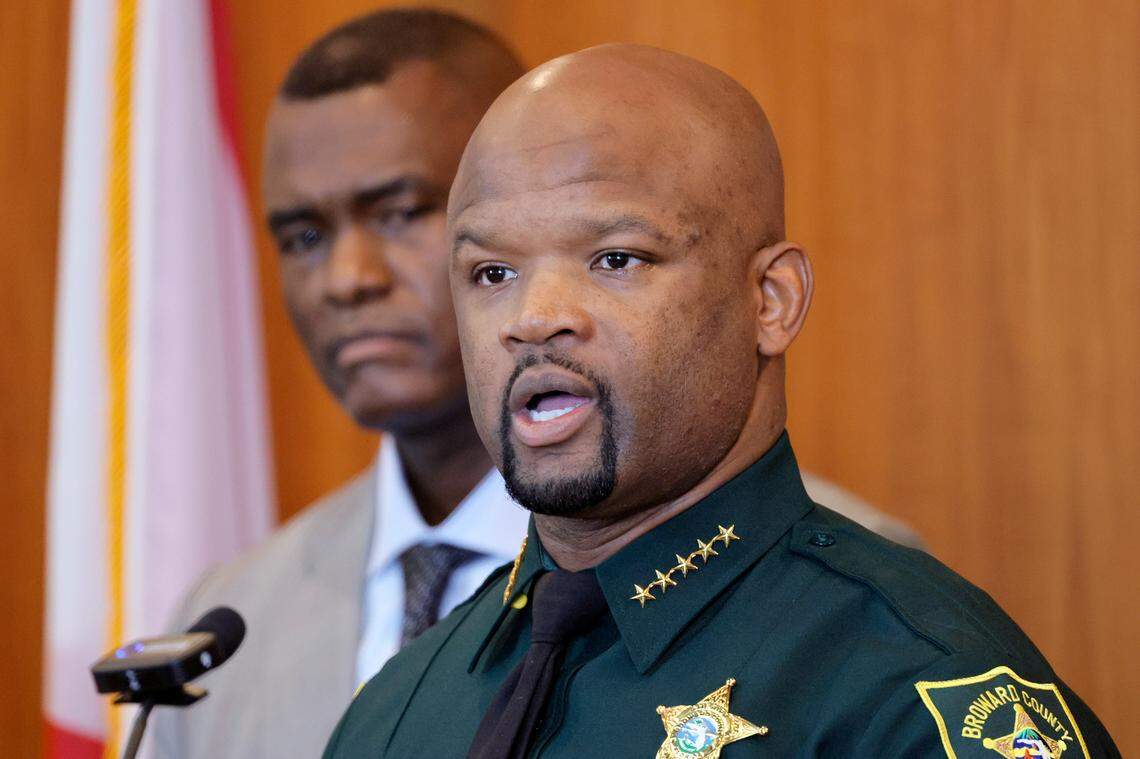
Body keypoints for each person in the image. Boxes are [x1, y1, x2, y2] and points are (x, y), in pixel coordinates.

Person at [323, 44, 1119, 758]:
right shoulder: (398, 709)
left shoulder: (908, 694)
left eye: (615, 258)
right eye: (493, 273)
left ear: (770, 301)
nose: (534, 318)